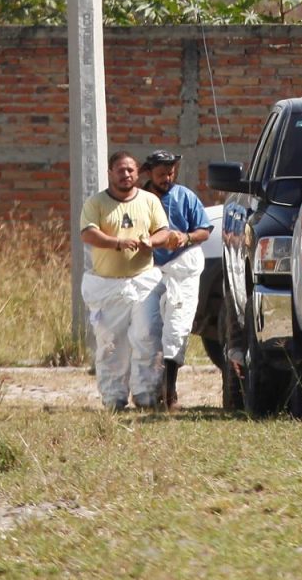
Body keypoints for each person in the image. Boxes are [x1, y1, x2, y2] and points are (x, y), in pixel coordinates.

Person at [79, 150, 172, 410]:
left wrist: (149, 242)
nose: (126, 175)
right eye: (120, 170)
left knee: (147, 334)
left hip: (144, 281)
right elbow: (88, 234)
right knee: (112, 344)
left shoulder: (149, 200)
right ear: (110, 173)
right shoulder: (96, 204)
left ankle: (145, 395)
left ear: (137, 172)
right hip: (108, 285)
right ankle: (113, 398)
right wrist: (117, 243)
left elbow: (163, 232)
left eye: (131, 170)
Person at [142, 149, 213, 410]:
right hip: (148, 270)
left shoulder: (185, 196)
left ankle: (169, 392)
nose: (167, 178)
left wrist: (187, 237)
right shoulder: (139, 199)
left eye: (171, 173)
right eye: (161, 174)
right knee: (147, 329)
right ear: (149, 173)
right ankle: (147, 390)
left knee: (176, 328)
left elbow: (204, 230)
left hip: (182, 268)